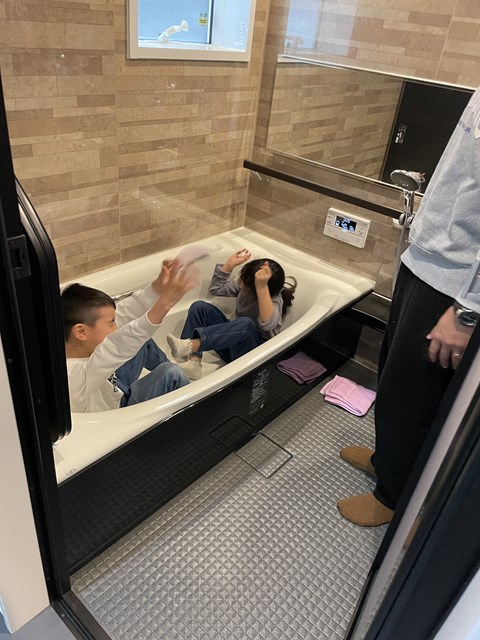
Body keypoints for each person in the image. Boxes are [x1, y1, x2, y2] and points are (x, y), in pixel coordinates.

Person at [337, 86, 480, 527]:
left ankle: (394, 495)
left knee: (415, 394)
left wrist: (468, 309)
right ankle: (388, 461)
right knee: (394, 380)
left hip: (455, 283)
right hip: (425, 260)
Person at [62, 260, 198, 413]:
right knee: (171, 373)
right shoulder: (73, 378)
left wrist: (157, 287)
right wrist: (164, 304)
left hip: (113, 389)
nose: (116, 327)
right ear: (81, 332)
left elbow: (124, 314)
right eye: (111, 323)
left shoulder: (72, 344)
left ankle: (178, 385)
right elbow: (117, 346)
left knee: (142, 343)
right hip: (118, 413)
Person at [166, 249, 296, 380]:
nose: (239, 280)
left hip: (252, 355)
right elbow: (216, 289)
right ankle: (193, 361)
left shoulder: (274, 300)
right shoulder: (245, 288)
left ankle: (190, 346)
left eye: (244, 281)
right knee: (199, 307)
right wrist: (229, 265)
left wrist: (262, 287)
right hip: (232, 344)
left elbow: (268, 324)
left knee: (246, 324)